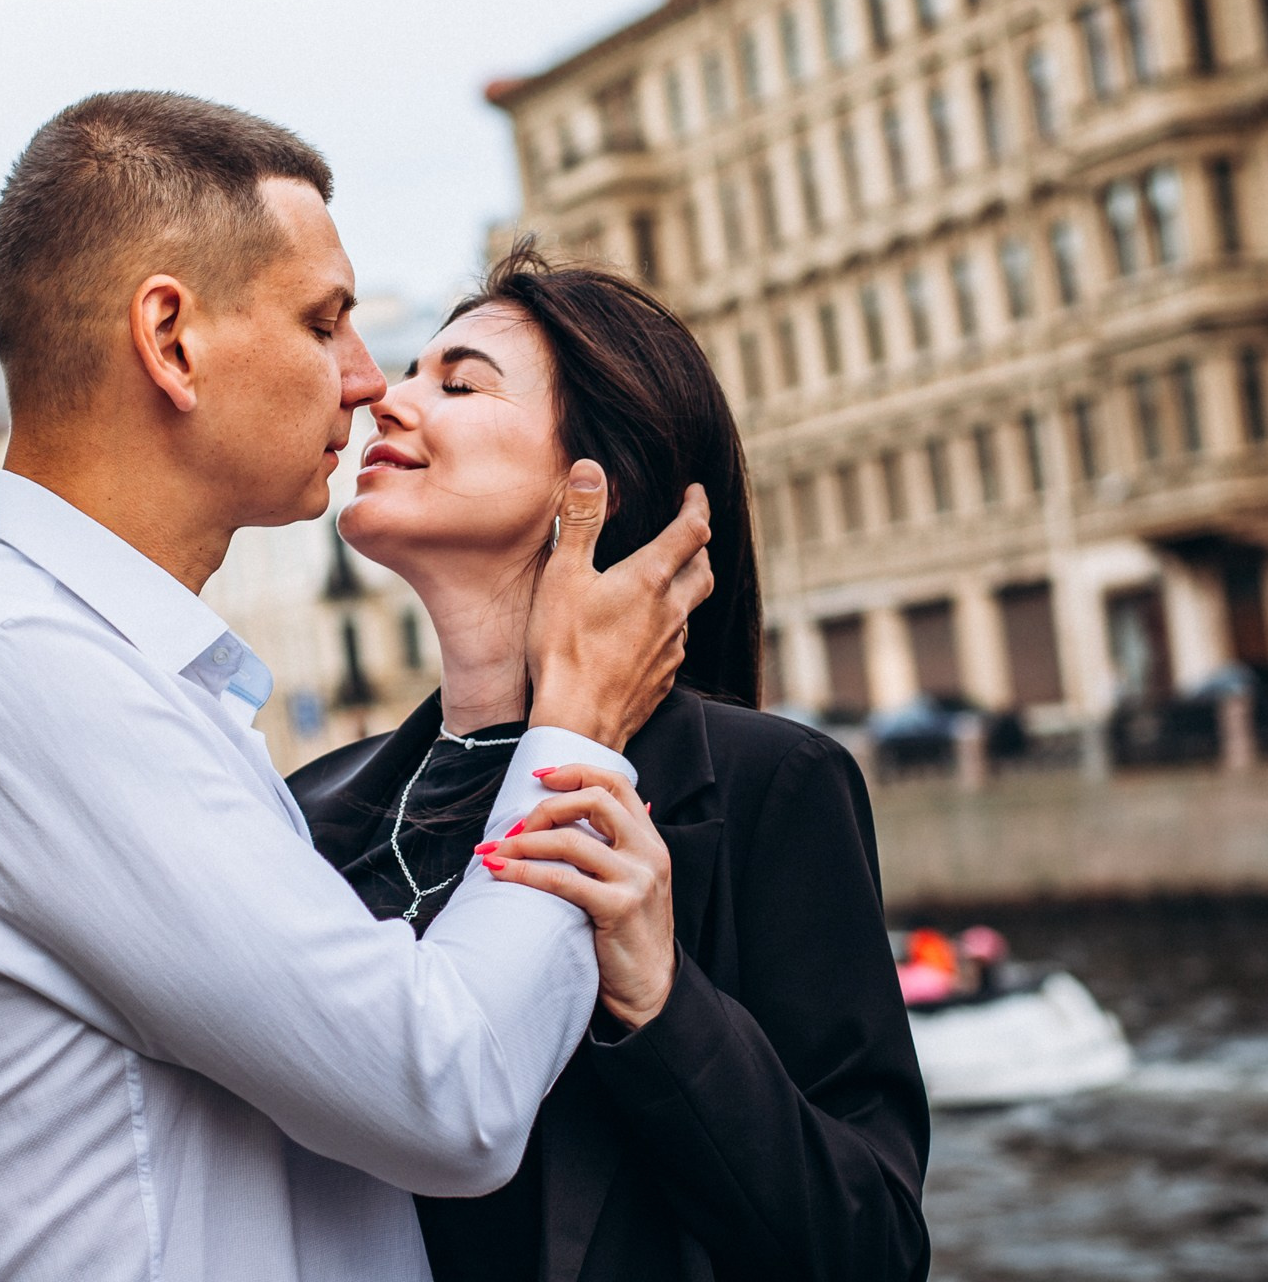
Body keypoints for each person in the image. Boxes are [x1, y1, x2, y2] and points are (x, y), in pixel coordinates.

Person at [0, 93, 715, 1282]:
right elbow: (448, 1092)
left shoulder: (64, 664)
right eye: (323, 321)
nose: (365, 380)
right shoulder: (21, 676)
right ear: (171, 340)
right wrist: (580, 726)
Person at [290, 247, 931, 1282]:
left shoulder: (769, 787)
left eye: (459, 385)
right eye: (409, 375)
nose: (384, 401)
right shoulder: (307, 812)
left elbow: (871, 1252)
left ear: (593, 485)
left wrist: (663, 1002)